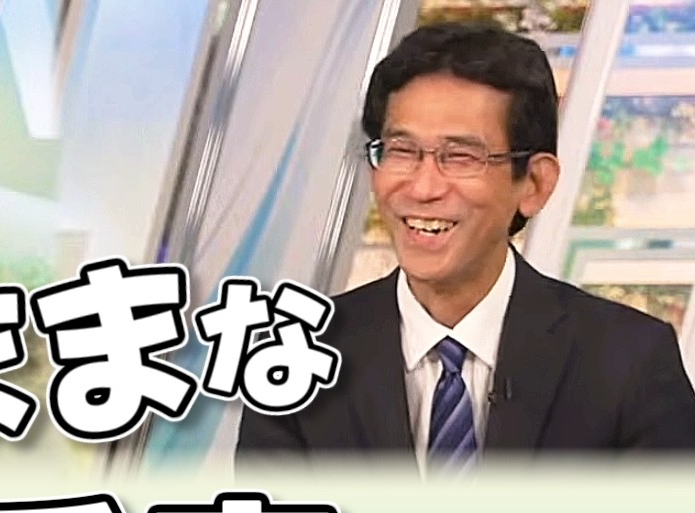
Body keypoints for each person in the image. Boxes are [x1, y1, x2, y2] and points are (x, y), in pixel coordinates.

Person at [236, 22, 695, 473]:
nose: (423, 187)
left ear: (534, 183)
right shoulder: (293, 360)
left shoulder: (628, 363)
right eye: (401, 150)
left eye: (460, 157)